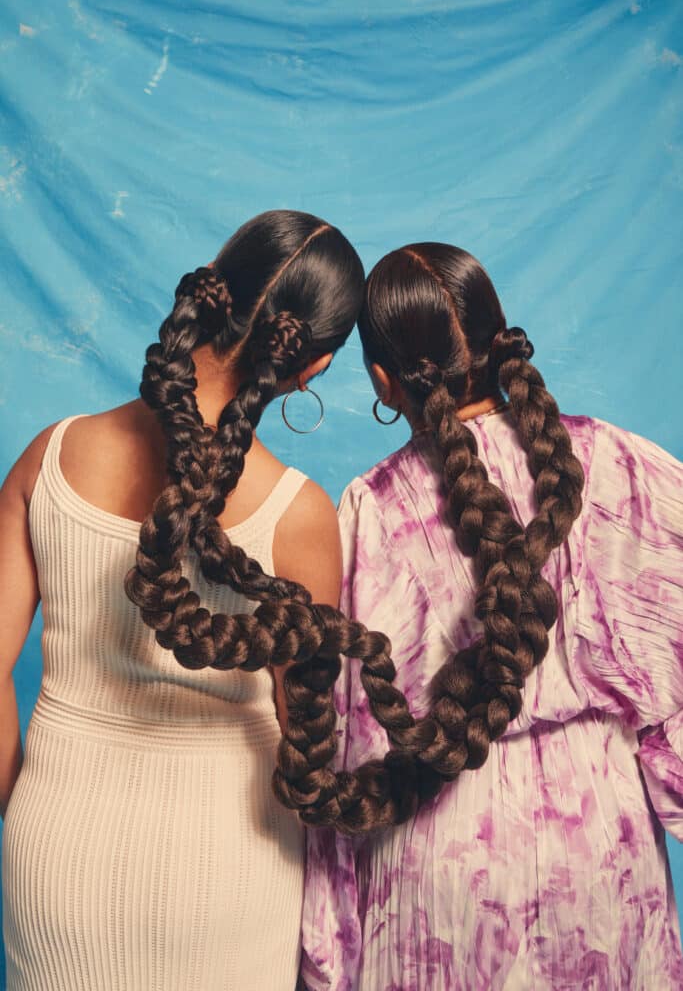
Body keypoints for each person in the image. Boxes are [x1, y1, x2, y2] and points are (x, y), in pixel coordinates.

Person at [301, 243, 683, 990]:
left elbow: (347, 737)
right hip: (601, 853)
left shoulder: (370, 510)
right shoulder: (617, 464)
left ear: (384, 382)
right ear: (499, 338)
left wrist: (326, 945)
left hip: (436, 867)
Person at [0, 209, 365, 991]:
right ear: (316, 366)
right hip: (232, 863)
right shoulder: (299, 516)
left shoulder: (50, 457)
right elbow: (309, 736)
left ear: (212, 295)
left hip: (60, 848)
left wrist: (22, 821)